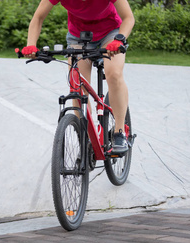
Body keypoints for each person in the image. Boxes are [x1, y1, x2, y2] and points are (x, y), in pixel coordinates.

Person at [22, 0, 135, 154]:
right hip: (79, 37)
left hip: (110, 34)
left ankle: (119, 132)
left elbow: (128, 17)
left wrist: (120, 39)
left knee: (114, 74)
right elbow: (38, 17)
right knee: (76, 84)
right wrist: (31, 44)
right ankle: (86, 137)